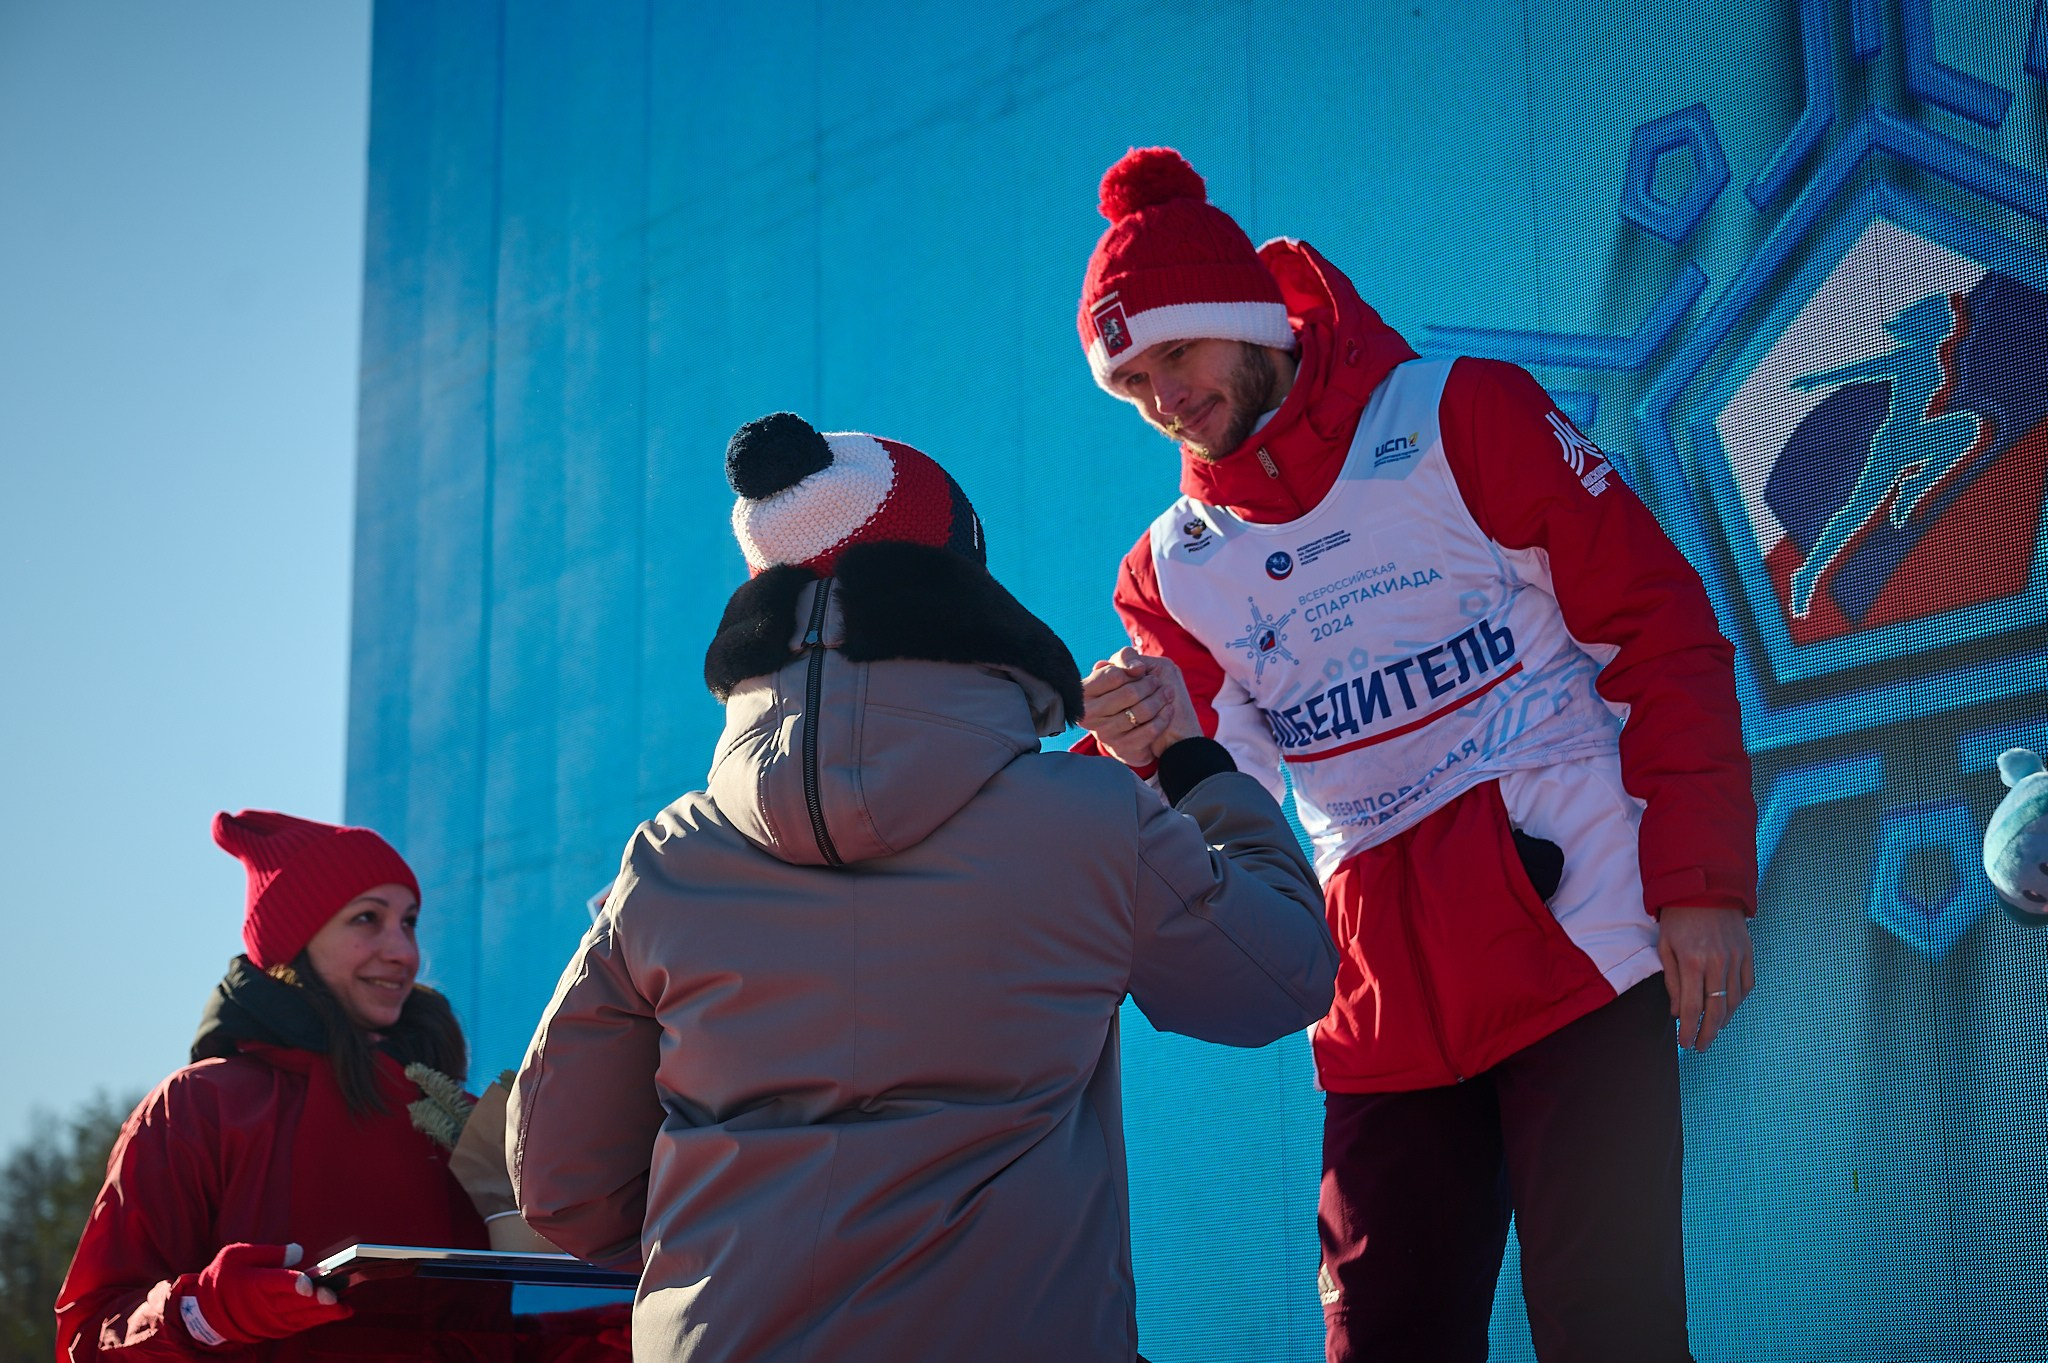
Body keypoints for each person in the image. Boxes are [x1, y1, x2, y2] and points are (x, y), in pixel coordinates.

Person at [1068, 146, 1759, 1362]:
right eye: (1128, 381)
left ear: (1244, 322)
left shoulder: (1458, 415)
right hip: (1378, 1013)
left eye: (1173, 355)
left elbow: (1663, 632)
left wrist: (1697, 886)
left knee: (1611, 1334)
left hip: (1580, 950)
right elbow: (1201, 813)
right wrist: (1139, 744)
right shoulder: (1173, 567)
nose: (1159, 398)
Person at [507, 413, 1338, 1363]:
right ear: (959, 585)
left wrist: (727, 1248)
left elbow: (561, 1183)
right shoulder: (1088, 818)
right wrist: (1192, 759)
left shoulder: (666, 859)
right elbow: (1283, 975)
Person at [55, 811, 628, 1362]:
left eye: (409, 922)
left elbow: (469, 1339)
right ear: (292, 942)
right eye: (366, 919)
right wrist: (207, 1313)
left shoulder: (454, 1121)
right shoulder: (200, 1107)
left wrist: (636, 1335)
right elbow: (88, 1339)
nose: (403, 952)